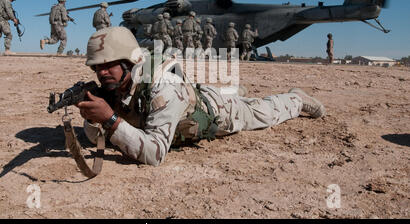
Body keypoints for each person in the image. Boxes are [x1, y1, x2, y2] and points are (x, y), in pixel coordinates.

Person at [76, 27, 326, 167]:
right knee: (218, 93)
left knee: (262, 113)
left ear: (130, 62)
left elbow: (154, 154)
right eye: (97, 67)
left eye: (108, 65)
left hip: (218, 112)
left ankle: (295, 99)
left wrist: (109, 119)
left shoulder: (163, 88)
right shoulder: (115, 86)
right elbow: (98, 138)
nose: (102, 72)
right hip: (189, 97)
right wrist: (91, 117)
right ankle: (234, 91)